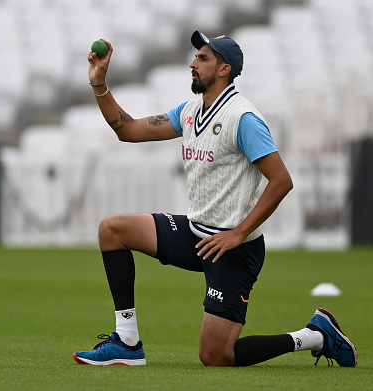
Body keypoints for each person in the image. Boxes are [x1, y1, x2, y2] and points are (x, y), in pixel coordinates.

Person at [73, 31, 357, 367]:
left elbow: (282, 181)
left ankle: (315, 336)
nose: (193, 63)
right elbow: (128, 130)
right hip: (197, 234)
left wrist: (238, 233)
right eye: (195, 57)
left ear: (224, 69)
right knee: (113, 230)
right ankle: (127, 342)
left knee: (216, 356)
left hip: (234, 248)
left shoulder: (243, 118)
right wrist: (99, 85)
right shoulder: (191, 111)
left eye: (203, 58)